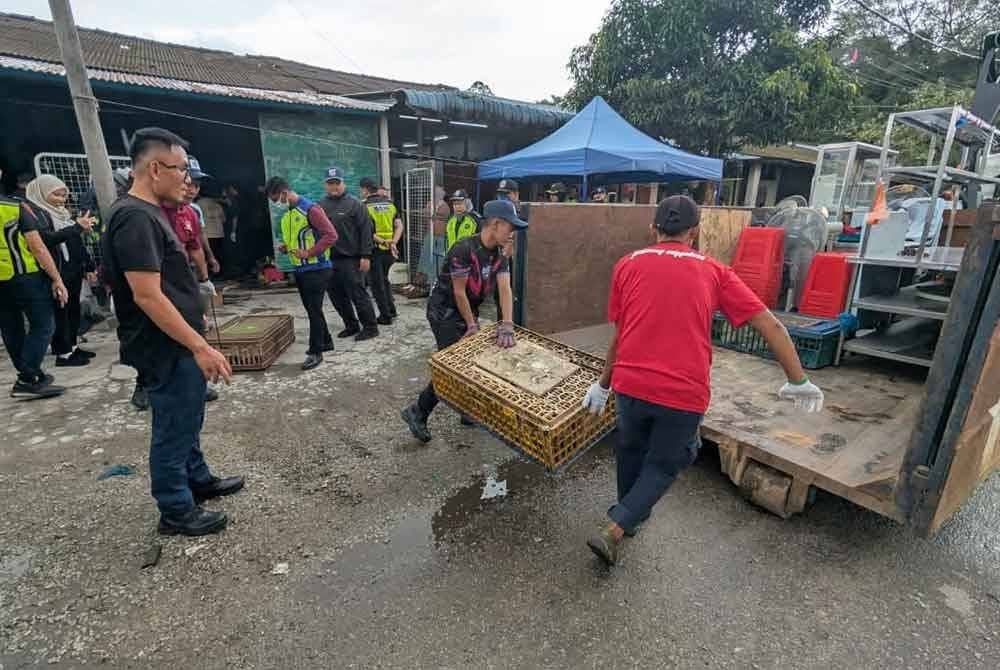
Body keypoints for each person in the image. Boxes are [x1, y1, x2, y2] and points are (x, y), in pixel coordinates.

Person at [580, 195, 825, 566]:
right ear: (695, 232)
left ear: (653, 229)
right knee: (671, 459)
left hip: (630, 384)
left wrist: (604, 383)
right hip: (682, 394)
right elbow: (769, 324)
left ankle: (628, 514)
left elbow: (621, 331)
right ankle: (617, 526)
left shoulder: (627, 265)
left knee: (631, 449)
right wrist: (797, 379)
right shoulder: (714, 271)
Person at [102, 127, 241, 537]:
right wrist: (199, 346)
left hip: (176, 340)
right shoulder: (134, 217)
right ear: (156, 167)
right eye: (181, 169)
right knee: (173, 426)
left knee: (189, 416)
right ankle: (176, 509)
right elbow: (147, 296)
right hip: (164, 346)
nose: (186, 178)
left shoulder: (150, 213)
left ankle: (197, 480)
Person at [400, 200, 528, 443]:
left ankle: (466, 410)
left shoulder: (500, 254)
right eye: (510, 227)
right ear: (496, 224)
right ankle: (417, 411)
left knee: (470, 360)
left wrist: (508, 323)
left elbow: (505, 289)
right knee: (453, 367)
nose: (513, 233)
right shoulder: (464, 249)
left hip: (468, 309)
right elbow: (459, 292)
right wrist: (471, 325)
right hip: (444, 311)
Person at [22, 176, 98, 367]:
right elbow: (47, 240)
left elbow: (75, 243)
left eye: (64, 194)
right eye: (56, 194)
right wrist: (76, 228)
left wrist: (88, 266)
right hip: (56, 272)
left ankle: (71, 346)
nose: (62, 199)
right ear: (41, 193)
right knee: (61, 313)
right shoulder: (37, 215)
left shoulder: (62, 214)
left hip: (72, 270)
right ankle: (63, 353)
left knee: (73, 310)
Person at [0, 195, 69, 398]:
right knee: (44, 325)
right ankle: (27, 378)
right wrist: (56, 278)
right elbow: (37, 247)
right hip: (24, 276)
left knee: (10, 327)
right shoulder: (14, 206)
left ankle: (31, 374)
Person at [267, 176, 338, 370]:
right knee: (311, 309)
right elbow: (298, 239)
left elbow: (331, 235)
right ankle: (326, 341)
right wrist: (286, 247)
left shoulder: (310, 209)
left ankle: (316, 351)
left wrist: (309, 252)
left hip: (317, 268)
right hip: (300, 268)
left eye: (276, 199)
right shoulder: (288, 215)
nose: (276, 204)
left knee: (313, 310)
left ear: (284, 192)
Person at [319, 166, 379, 341]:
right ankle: (351, 325)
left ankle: (370, 327)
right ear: (325, 185)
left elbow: (366, 231)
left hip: (351, 260)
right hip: (330, 260)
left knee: (358, 294)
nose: (334, 187)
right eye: (330, 183)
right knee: (336, 296)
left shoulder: (355, 204)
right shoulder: (321, 205)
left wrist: (366, 256)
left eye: (337, 183)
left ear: (343, 183)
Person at [360, 177, 401, 325]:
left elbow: (367, 233)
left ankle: (385, 316)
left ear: (365, 189)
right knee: (384, 280)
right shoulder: (390, 204)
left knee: (376, 285)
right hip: (390, 251)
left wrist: (383, 241)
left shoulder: (364, 206)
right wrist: (393, 242)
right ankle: (391, 310)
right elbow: (399, 226)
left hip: (375, 250)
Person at [198, 190, 226, 276]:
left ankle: (207, 275)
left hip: (207, 234)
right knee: (218, 254)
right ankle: (219, 274)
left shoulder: (198, 205)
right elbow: (224, 220)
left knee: (207, 256)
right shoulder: (218, 205)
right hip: (219, 233)